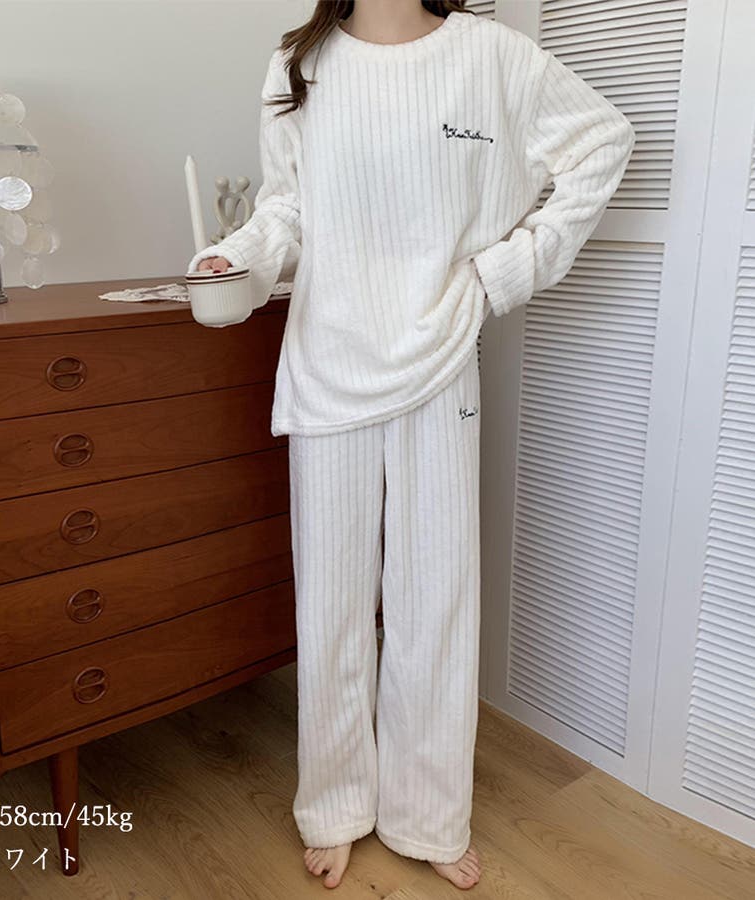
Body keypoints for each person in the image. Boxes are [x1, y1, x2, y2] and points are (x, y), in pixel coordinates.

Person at [187, 0, 635, 890]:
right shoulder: (298, 63)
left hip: (440, 359)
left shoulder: (494, 57)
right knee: (332, 600)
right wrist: (237, 257)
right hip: (328, 363)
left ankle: (428, 813)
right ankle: (335, 804)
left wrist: (507, 269)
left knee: (436, 597)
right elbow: (287, 208)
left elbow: (603, 142)